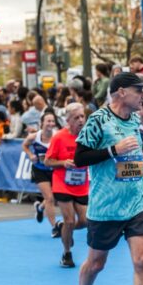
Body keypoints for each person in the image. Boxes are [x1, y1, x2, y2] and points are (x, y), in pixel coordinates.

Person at [72, 72, 143, 285]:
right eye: (138, 90)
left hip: (136, 199)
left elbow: (129, 156)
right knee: (96, 264)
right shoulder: (98, 120)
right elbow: (79, 158)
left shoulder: (134, 119)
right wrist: (114, 150)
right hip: (106, 205)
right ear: (121, 92)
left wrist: (141, 162)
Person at [45, 103, 88, 267]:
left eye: (82, 116)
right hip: (62, 183)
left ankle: (63, 228)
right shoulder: (59, 137)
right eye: (76, 118)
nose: (81, 120)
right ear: (68, 120)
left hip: (81, 183)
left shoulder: (88, 135)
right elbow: (47, 161)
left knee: (84, 222)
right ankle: (66, 253)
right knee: (70, 220)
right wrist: (63, 162)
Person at [22, 111, 61, 237]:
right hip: (39, 170)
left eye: (52, 121)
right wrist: (30, 155)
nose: (50, 123)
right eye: (48, 121)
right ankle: (55, 227)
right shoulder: (34, 137)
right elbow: (25, 145)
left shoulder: (58, 136)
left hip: (54, 169)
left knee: (53, 197)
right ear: (42, 123)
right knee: (49, 198)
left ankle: (39, 207)